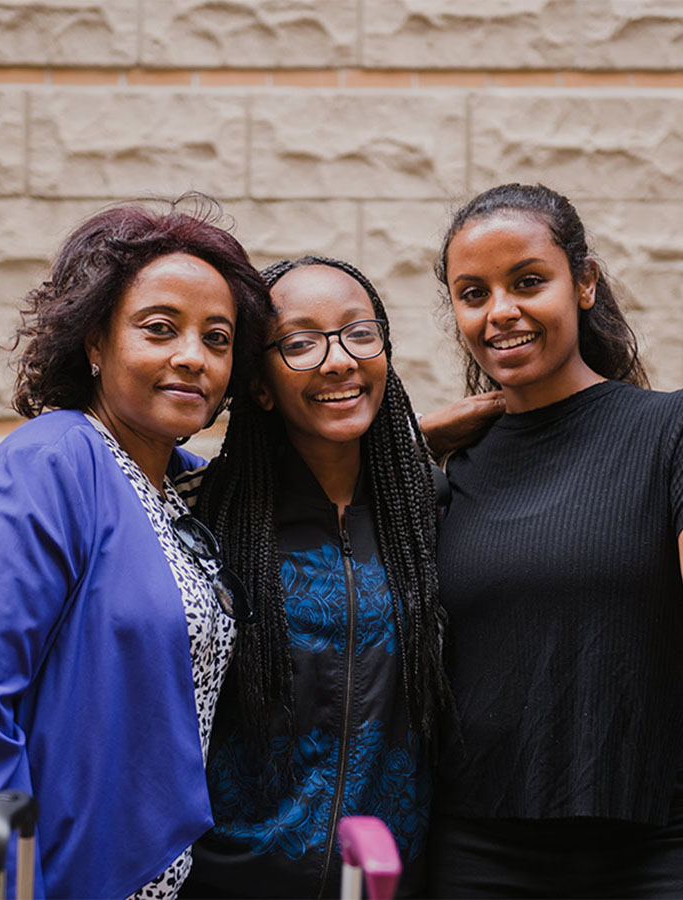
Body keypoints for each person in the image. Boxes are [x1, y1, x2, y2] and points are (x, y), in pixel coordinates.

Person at [0, 198, 272, 900]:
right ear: (95, 343)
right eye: (160, 329)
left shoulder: (181, 489)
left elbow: (301, 482)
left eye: (217, 339)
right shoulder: (54, 463)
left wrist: (416, 444)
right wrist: (5, 887)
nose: (193, 357)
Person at [426, 182, 683, 898]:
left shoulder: (681, 428)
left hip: (660, 836)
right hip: (479, 843)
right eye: (473, 293)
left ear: (583, 284)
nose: (501, 312)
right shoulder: (454, 471)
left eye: (528, 281)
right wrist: (414, 437)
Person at [178, 257, 447, 898]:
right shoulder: (204, 517)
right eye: (300, 343)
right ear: (261, 385)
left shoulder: (432, 512)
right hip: (227, 884)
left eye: (360, 332)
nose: (338, 361)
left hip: (387, 883)